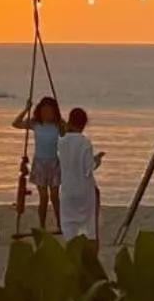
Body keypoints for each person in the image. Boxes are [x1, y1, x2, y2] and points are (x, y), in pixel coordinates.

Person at [14, 96, 64, 233]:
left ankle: (60, 225)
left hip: (54, 163)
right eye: (44, 111)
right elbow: (16, 123)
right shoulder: (35, 123)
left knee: (55, 197)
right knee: (44, 198)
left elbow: (69, 134)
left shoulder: (58, 124)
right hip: (40, 163)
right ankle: (42, 226)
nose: (47, 114)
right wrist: (26, 109)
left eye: (50, 111)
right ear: (39, 111)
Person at [58, 108, 99, 239]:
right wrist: (97, 161)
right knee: (89, 227)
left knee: (68, 225)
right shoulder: (85, 143)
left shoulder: (61, 142)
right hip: (84, 190)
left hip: (67, 189)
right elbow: (88, 168)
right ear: (83, 124)